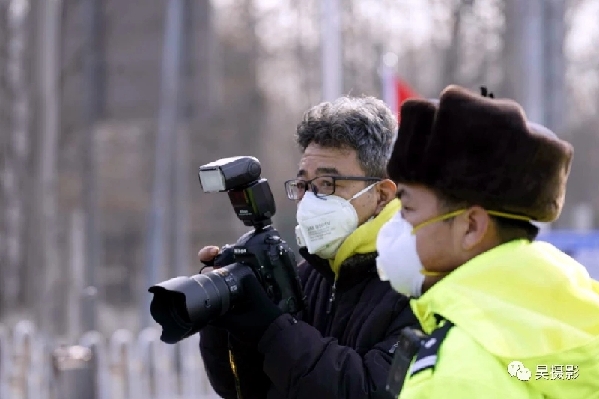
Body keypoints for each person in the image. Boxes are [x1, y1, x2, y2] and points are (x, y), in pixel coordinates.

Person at [375, 84, 599, 398]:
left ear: (472, 227)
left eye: (408, 208)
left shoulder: (456, 371)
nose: (394, 226)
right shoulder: (577, 318)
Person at [198, 96, 419, 399]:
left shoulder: (418, 279)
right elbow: (246, 391)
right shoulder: (309, 276)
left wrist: (272, 329)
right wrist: (229, 316)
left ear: (381, 194)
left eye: (328, 184)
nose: (310, 200)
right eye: (304, 185)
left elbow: (370, 390)